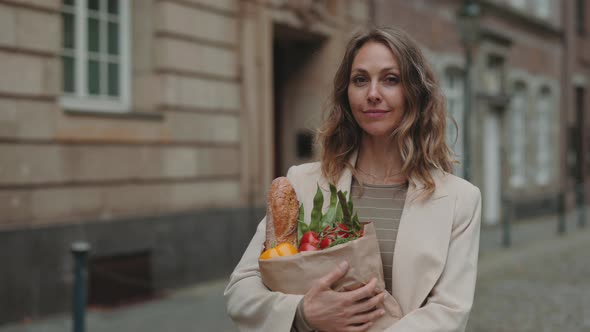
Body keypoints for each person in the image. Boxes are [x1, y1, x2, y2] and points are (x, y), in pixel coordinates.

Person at [225, 27, 482, 332]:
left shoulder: (459, 199)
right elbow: (241, 290)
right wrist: (303, 312)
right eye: (360, 79)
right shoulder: (304, 183)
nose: (373, 93)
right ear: (346, 94)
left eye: (390, 79)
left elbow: (449, 312)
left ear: (415, 92)